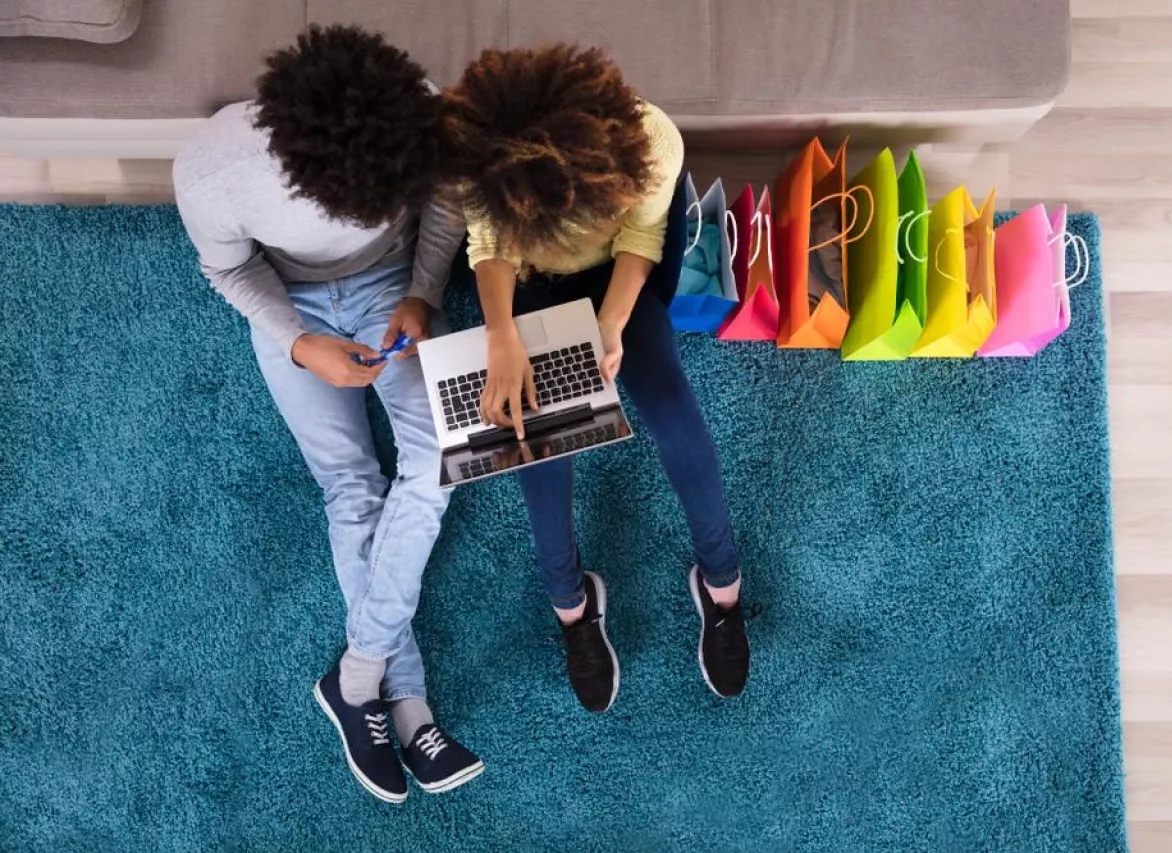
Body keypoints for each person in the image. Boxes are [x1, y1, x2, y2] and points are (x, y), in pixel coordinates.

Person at [174, 25, 482, 802]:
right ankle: (403, 702)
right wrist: (303, 342)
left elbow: (445, 206)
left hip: (391, 291)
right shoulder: (215, 170)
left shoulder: (419, 121)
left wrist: (423, 291)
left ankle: (360, 678)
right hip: (291, 304)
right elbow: (230, 268)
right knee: (351, 485)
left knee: (439, 459)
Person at [442, 44, 751, 713]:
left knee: (673, 414)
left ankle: (721, 586)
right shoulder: (485, 151)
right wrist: (501, 334)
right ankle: (570, 605)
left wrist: (611, 324)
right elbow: (489, 243)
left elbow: (641, 241)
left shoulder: (655, 140)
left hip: (620, 282)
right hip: (534, 290)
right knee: (531, 443)